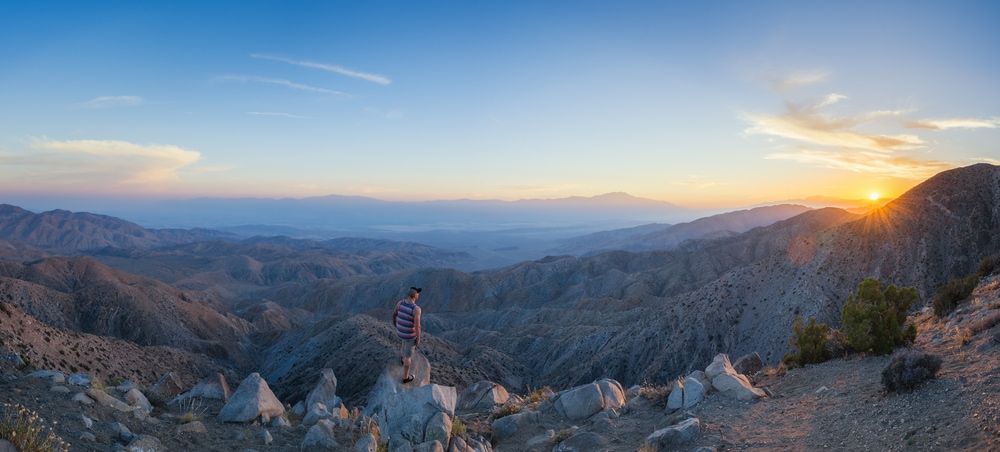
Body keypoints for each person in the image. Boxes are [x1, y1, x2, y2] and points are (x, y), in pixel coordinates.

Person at [392, 286, 422, 383]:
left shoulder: (400, 303)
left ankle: (402, 358)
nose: (418, 295)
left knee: (404, 343)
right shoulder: (416, 309)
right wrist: (418, 338)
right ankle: (406, 377)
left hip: (400, 332)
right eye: (418, 293)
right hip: (409, 335)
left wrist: (395, 324)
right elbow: (417, 327)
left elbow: (394, 313)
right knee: (408, 356)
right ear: (415, 296)